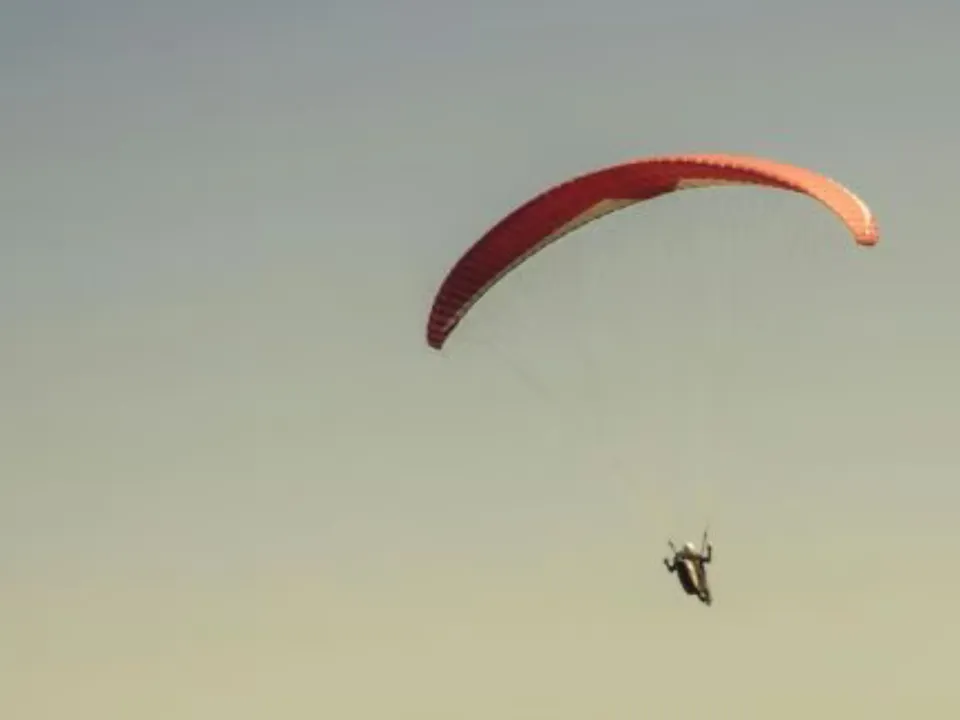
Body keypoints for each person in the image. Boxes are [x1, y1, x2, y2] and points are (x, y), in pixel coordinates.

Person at [663, 534, 713, 606]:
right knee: (702, 589)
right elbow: (708, 559)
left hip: (699, 579)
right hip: (696, 581)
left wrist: (709, 550)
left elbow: (671, 569)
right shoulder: (686, 559)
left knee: (704, 589)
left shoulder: (695, 557)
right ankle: (705, 597)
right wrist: (667, 563)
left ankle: (706, 598)